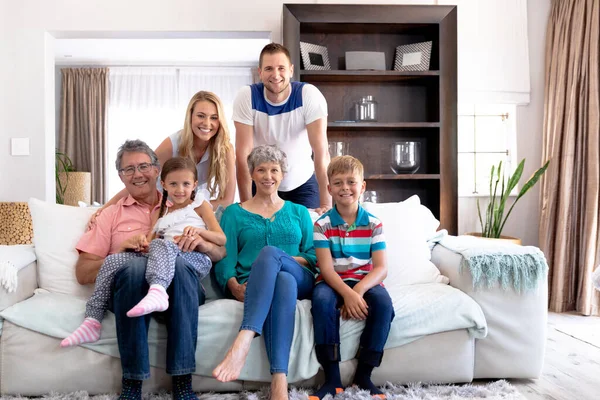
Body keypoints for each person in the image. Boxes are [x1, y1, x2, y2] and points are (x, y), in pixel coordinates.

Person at [74, 139, 225, 400]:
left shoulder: (180, 203)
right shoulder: (109, 215)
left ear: (157, 171)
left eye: (143, 166)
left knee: (178, 264)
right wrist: (122, 251)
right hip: (130, 292)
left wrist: (201, 243)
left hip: (181, 288)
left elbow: (220, 251)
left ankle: (183, 384)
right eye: (128, 169)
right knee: (133, 270)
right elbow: (83, 272)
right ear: (121, 177)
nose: (137, 174)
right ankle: (132, 385)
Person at [62, 156, 225, 347]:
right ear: (163, 184)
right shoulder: (162, 211)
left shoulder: (200, 205)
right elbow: (150, 241)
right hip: (166, 255)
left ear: (194, 184)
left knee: (164, 245)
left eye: (186, 184)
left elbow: (221, 239)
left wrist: (199, 232)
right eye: (173, 184)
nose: (180, 190)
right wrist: (140, 243)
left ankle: (157, 291)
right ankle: (92, 320)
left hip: (192, 258)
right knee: (115, 260)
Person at [212, 145, 317, 400]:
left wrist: (281, 259)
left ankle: (245, 337)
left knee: (272, 256)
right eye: (261, 170)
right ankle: (279, 382)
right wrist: (234, 285)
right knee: (281, 281)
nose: (268, 175)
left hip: (300, 277)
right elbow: (226, 258)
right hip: (258, 285)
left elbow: (314, 256)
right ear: (252, 174)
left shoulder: (299, 212)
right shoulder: (234, 214)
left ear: (282, 175)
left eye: (274, 170)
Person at [310, 155, 395, 400]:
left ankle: (364, 376)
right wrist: (346, 293)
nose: (345, 188)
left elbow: (381, 268)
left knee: (384, 306)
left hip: (365, 280)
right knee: (323, 302)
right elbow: (325, 269)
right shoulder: (322, 224)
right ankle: (332, 379)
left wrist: (357, 291)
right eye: (337, 183)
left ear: (362, 186)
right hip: (331, 281)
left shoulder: (373, 224)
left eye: (351, 182)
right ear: (329, 189)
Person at [92, 90, 235, 225]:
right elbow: (140, 179)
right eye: (201, 116)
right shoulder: (172, 144)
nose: (207, 123)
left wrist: (192, 209)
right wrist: (104, 209)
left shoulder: (225, 149)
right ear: (190, 117)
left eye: (214, 118)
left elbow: (227, 201)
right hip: (161, 207)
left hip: (191, 211)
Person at [233, 42, 331, 213]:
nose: (276, 74)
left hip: (302, 184)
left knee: (307, 236)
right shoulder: (246, 96)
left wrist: (327, 205)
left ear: (291, 70)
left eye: (281, 68)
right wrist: (245, 208)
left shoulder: (308, 95)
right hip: (263, 183)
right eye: (269, 68)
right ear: (260, 72)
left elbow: (321, 152)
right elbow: (243, 156)